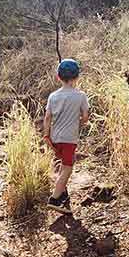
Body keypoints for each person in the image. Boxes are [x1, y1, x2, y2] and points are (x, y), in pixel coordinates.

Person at [43, 58, 89, 214]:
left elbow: (48, 117)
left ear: (58, 77)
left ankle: (62, 192)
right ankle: (54, 199)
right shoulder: (80, 96)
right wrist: (79, 123)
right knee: (68, 168)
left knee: (63, 165)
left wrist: (46, 135)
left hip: (55, 138)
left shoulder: (53, 96)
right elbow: (85, 117)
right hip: (69, 139)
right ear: (77, 77)